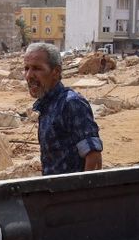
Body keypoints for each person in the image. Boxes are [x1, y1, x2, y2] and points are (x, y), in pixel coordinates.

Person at [24, 42, 103, 175]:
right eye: (26, 68)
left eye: (37, 68)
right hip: (54, 193)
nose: (29, 76)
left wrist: (85, 192)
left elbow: (94, 157)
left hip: (70, 193)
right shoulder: (47, 105)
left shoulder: (71, 103)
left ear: (56, 72)